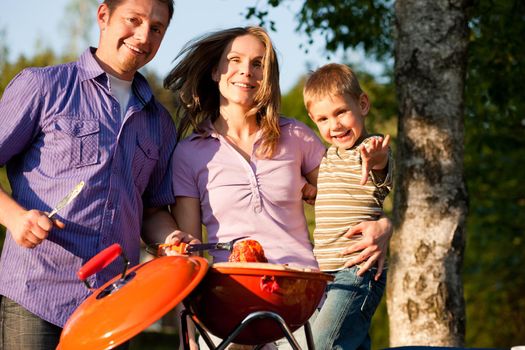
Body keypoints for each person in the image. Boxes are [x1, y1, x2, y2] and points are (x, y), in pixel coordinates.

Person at [148, 27, 393, 350]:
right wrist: (189, 334)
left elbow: (353, 190)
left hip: (302, 299)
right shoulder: (189, 154)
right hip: (231, 302)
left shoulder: (297, 137)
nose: (246, 71)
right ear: (214, 70)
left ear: (268, 76)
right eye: (234, 60)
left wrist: (387, 225)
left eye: (258, 63)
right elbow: (190, 257)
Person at [0, 0, 176, 348]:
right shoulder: (43, 86)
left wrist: (170, 240)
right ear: (103, 16)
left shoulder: (160, 124)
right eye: (133, 19)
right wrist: (15, 218)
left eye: (156, 28)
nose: (143, 35)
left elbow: (153, 211)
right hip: (36, 296)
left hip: (113, 308)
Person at [304, 63, 393, 350]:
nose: (335, 125)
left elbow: (379, 170)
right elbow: (341, 192)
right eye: (324, 119)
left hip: (357, 271)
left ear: (362, 104)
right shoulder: (330, 157)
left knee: (321, 344)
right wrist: (311, 191)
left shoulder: (369, 148)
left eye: (341, 112)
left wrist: (378, 157)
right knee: (350, 344)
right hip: (326, 275)